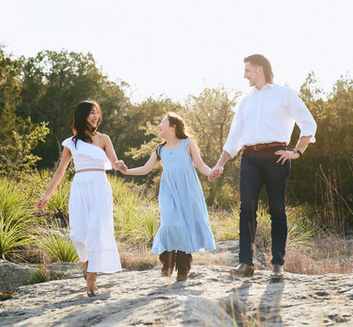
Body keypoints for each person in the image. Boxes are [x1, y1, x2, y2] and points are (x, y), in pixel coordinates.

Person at [209, 54, 317, 279]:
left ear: (260, 69)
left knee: (277, 210)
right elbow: (234, 137)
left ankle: (277, 264)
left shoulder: (284, 94)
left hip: (276, 156)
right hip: (249, 158)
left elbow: (308, 123)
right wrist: (220, 164)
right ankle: (245, 264)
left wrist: (297, 151)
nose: (244, 75)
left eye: (247, 70)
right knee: (246, 209)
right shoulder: (246, 101)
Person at [116, 113, 216, 281]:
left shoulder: (187, 144)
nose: (159, 126)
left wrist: (212, 172)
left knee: (186, 225)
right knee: (169, 223)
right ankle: (167, 264)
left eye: (162, 123)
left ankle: (183, 269)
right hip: (168, 192)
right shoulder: (160, 149)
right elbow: (145, 169)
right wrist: (126, 171)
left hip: (188, 191)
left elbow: (200, 165)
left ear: (173, 126)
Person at [37, 100, 122, 296]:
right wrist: (46, 196)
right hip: (80, 186)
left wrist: (121, 165)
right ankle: (87, 265)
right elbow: (60, 172)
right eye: (91, 113)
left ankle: (92, 278)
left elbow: (114, 163)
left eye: (97, 113)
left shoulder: (104, 139)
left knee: (98, 231)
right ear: (83, 116)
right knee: (79, 233)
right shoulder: (71, 142)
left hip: (100, 186)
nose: (95, 116)